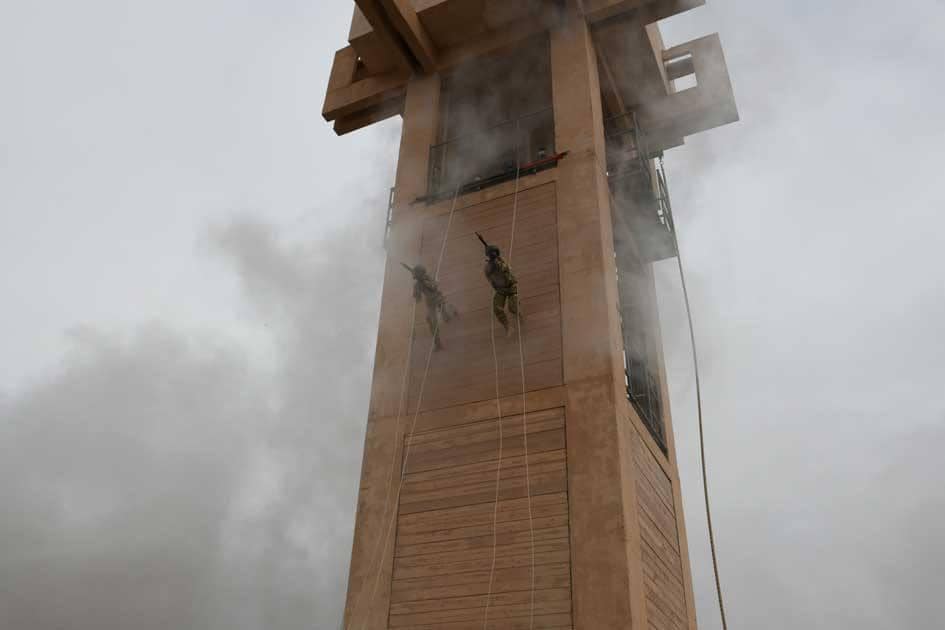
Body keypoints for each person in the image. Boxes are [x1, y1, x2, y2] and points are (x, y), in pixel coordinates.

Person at [402, 263, 457, 350]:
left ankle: (453, 311)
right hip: (430, 304)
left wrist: (425, 282)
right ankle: (438, 344)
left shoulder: (428, 277)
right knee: (432, 322)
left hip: (438, 299)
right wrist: (416, 294)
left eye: (415, 274)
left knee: (447, 313)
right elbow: (418, 297)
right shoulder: (417, 285)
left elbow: (434, 286)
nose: (414, 275)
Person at [475, 233, 521, 335]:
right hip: (501, 290)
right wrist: (492, 266)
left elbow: (505, 270)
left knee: (513, 308)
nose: (494, 255)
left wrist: (497, 263)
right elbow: (489, 276)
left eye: (495, 253)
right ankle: (508, 327)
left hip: (511, 287)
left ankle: (519, 317)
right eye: (492, 254)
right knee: (497, 308)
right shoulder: (488, 267)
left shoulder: (501, 262)